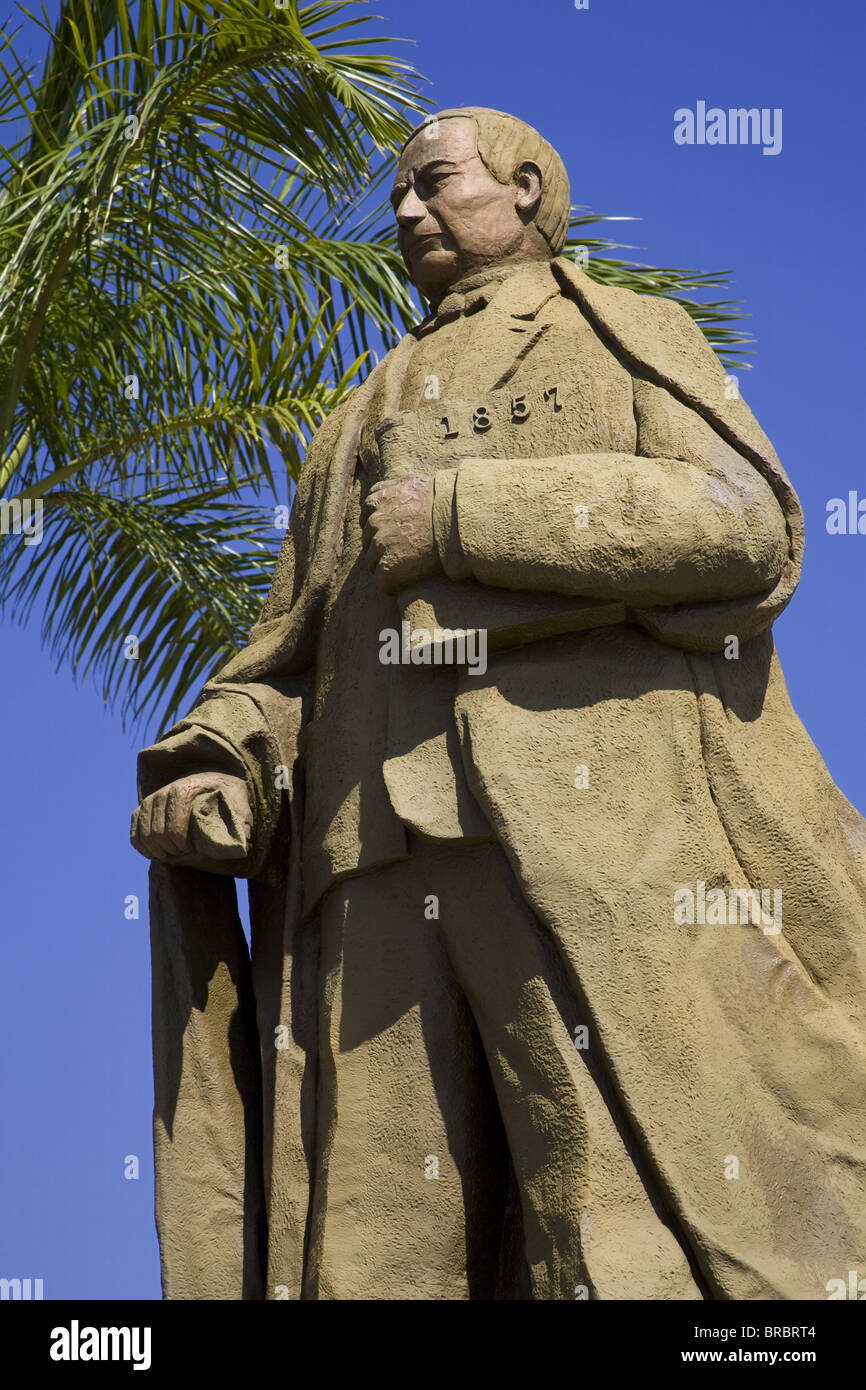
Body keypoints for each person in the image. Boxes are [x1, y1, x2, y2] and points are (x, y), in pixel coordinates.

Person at [132, 107, 866, 1301]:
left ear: (525, 188)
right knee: (363, 1249)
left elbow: (743, 528)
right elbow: (292, 656)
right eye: (398, 197)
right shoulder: (350, 420)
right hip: (364, 860)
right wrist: (220, 758)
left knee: (604, 1210)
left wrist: (468, 516)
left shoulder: (623, 335)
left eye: (432, 184)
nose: (407, 212)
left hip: (567, 839)